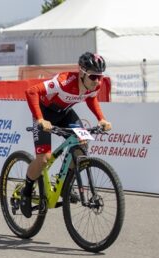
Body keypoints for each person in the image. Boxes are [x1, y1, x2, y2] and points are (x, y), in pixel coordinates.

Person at [19, 52, 113, 218]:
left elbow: (91, 99)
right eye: (93, 76)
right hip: (44, 113)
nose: (97, 81)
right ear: (82, 72)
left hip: (65, 113)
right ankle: (26, 192)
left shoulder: (95, 85)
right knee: (44, 158)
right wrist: (40, 119)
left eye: (100, 77)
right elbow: (31, 91)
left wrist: (102, 119)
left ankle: (65, 186)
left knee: (81, 145)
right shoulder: (63, 81)